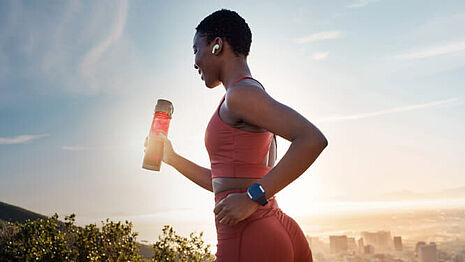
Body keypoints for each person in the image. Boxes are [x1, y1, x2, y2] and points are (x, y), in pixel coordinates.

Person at [154, 9, 328, 262]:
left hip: (250, 234)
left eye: (195, 49)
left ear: (217, 46)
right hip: (270, 227)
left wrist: (251, 198)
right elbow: (225, 183)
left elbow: (312, 139)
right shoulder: (245, 94)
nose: (194, 61)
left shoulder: (240, 94)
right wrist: (172, 158)